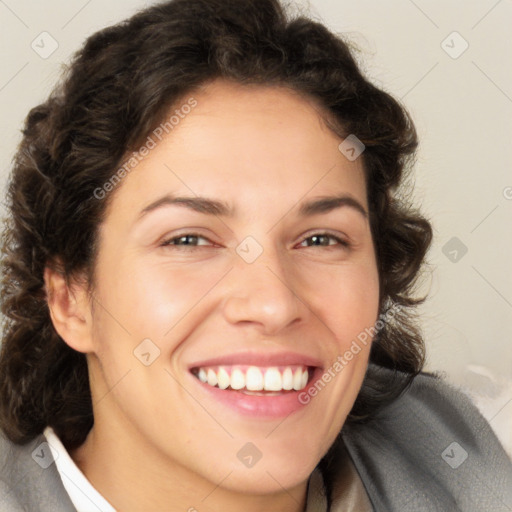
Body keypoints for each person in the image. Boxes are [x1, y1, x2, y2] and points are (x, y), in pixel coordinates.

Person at [0, 0, 510, 511]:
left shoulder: (476, 461)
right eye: (189, 240)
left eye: (321, 239)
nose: (272, 303)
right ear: (70, 299)